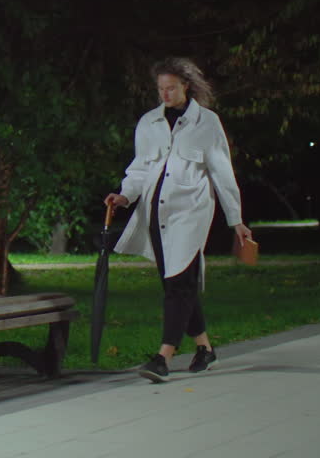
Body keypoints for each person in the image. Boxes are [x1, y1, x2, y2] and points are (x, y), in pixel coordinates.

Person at [104, 57, 251, 383]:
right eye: (161, 89)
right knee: (176, 283)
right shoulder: (148, 123)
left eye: (171, 88)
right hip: (157, 214)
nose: (165, 94)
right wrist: (125, 195)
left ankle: (163, 357)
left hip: (192, 212)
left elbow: (222, 172)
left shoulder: (207, 123)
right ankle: (205, 348)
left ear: (187, 85)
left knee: (179, 283)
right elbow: (140, 168)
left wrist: (235, 219)